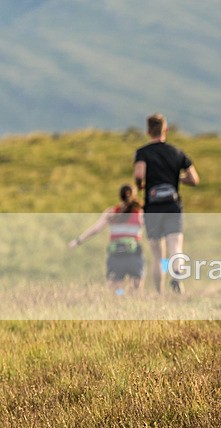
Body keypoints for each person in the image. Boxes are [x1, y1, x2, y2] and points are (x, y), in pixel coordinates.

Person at [133, 113, 200, 294]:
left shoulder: (143, 153)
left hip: (153, 207)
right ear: (166, 130)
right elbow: (194, 179)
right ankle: (177, 273)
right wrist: (177, 178)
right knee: (175, 245)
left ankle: (159, 292)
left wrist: (141, 185)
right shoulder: (177, 152)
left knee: (157, 254)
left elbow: (139, 175)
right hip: (173, 206)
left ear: (148, 131)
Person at [69, 184, 145, 293]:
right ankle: (132, 304)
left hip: (116, 255)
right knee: (135, 288)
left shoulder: (112, 213)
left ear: (120, 196)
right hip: (134, 255)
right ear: (134, 196)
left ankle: (120, 299)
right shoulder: (140, 214)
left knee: (116, 289)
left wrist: (78, 241)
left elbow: (95, 229)